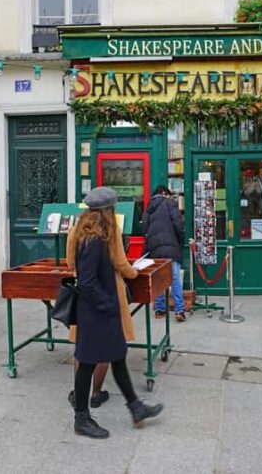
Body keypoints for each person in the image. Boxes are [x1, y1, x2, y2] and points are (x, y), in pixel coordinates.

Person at [69, 186, 162, 439]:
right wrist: (107, 305)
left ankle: (136, 407)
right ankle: (81, 418)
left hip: (99, 311)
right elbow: (87, 282)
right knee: (87, 363)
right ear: (107, 211)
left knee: (117, 356)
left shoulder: (88, 233)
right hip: (96, 311)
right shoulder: (93, 239)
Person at [66, 207, 139, 409]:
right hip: (106, 291)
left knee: (84, 349)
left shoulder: (75, 229)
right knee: (106, 349)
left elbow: (69, 261)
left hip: (83, 296)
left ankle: (80, 396)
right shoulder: (108, 231)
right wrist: (133, 273)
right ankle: (95, 393)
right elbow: (120, 261)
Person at [143, 185, 186, 322]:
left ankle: (160, 309)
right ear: (164, 193)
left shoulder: (148, 208)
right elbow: (178, 224)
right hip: (170, 247)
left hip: (154, 249)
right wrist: (180, 241)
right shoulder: (170, 203)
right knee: (174, 279)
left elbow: (145, 229)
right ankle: (179, 310)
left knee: (158, 279)